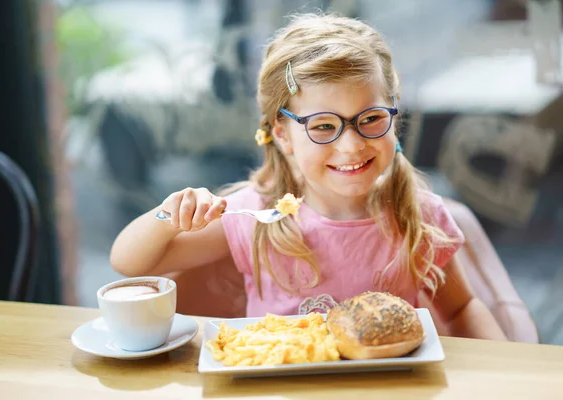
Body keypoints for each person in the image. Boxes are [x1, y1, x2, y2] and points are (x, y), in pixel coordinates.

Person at [110, 13, 507, 341]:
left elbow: (461, 308)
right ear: (282, 135)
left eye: (370, 119)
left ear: (394, 117)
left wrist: (500, 374)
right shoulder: (254, 214)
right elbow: (131, 263)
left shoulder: (417, 214)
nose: (351, 146)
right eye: (322, 126)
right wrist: (169, 215)